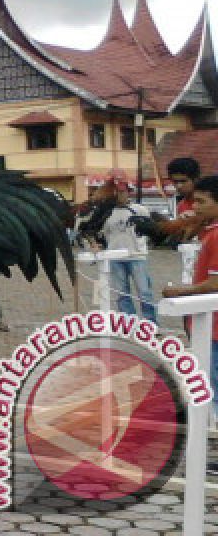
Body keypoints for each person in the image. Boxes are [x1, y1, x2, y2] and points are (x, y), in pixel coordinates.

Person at [162, 175, 218, 472]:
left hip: (216, 325)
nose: (194, 206)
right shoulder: (208, 231)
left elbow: (215, 283)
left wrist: (182, 291)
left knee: (215, 388)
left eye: (202, 201)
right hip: (208, 324)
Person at [99, 183, 157, 323]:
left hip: (136, 256)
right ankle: (129, 323)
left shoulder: (139, 210)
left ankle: (150, 323)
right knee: (121, 293)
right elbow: (103, 233)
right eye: (116, 192)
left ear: (128, 192)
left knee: (144, 292)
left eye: (122, 192)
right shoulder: (107, 212)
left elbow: (150, 228)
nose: (119, 195)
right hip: (115, 257)